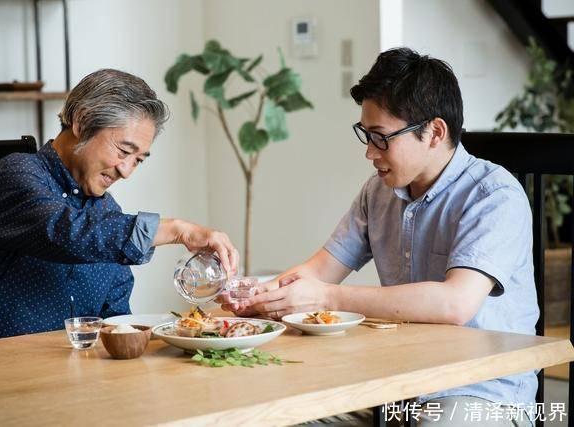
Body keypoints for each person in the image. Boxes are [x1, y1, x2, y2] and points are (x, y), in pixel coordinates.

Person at [223, 48, 537, 426]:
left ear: (434, 132)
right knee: (275, 415)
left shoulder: (494, 196)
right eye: (366, 135)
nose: (370, 153)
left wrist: (326, 297)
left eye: (381, 138)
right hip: (393, 385)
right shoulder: (378, 192)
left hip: (479, 391)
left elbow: (456, 303)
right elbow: (321, 270)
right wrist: (261, 297)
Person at [0, 69, 238, 344]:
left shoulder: (107, 213)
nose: (126, 171)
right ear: (82, 122)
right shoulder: (15, 175)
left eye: (138, 160)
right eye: (124, 151)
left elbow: (116, 319)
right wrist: (177, 230)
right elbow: (69, 233)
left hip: (76, 377)